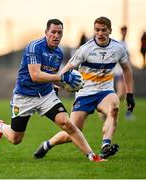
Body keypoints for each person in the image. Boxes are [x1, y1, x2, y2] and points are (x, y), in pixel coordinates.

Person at [0, 19, 105, 162]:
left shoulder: (59, 53)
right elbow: (35, 76)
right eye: (53, 32)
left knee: (67, 123)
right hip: (24, 96)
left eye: (59, 33)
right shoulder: (34, 47)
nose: (56, 35)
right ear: (46, 33)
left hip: (46, 95)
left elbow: (52, 77)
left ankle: (93, 157)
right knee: (15, 138)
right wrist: (62, 77)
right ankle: (0, 127)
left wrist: (62, 85)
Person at [34, 17, 135, 159]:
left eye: (103, 30)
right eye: (97, 30)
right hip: (84, 94)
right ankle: (48, 144)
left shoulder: (118, 48)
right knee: (72, 133)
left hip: (105, 92)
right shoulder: (85, 49)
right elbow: (67, 68)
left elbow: (127, 69)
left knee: (113, 108)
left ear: (110, 31)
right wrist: (55, 88)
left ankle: (105, 145)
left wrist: (130, 94)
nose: (100, 33)